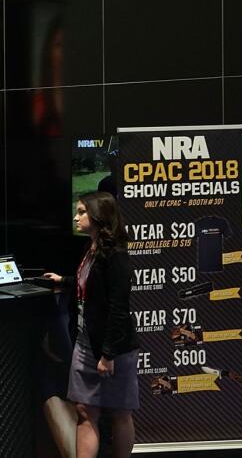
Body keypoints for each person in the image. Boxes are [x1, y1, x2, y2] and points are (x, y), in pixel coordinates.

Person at [44, 192, 139, 458]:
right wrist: (63, 281)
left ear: (98, 216)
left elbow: (119, 308)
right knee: (84, 411)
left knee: (120, 412)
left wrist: (108, 355)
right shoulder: (91, 249)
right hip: (85, 343)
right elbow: (92, 289)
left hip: (113, 349)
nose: (76, 217)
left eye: (82, 212)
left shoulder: (116, 255)